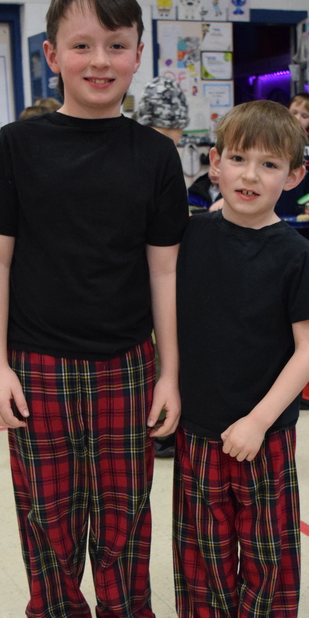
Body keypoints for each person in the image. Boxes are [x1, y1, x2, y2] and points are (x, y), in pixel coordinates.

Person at [0, 0, 189, 618]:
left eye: (116, 45)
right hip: (38, 365)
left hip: (127, 365)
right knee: (48, 517)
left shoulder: (155, 158)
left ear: (136, 56)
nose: (100, 59)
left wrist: (170, 371)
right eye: (82, 44)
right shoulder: (19, 145)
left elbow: (164, 269)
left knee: (126, 514)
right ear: (52, 54)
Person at [173, 100, 309, 618]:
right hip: (199, 428)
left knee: (268, 549)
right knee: (203, 546)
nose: (248, 175)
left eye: (268, 164)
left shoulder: (294, 254)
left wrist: (261, 419)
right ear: (214, 164)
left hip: (266, 433)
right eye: (237, 158)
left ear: (292, 176)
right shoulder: (191, 237)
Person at [136, 75, 190, 460]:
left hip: (165, 276)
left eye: (173, 138)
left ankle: (166, 423)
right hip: (137, 288)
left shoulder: (164, 161)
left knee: (170, 354)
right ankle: (158, 429)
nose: (166, 147)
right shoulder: (134, 158)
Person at [276, 92, 309, 216]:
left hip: (308, 196)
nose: (297, 118)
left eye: (304, 116)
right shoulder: (277, 135)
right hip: (280, 196)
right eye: (294, 113)